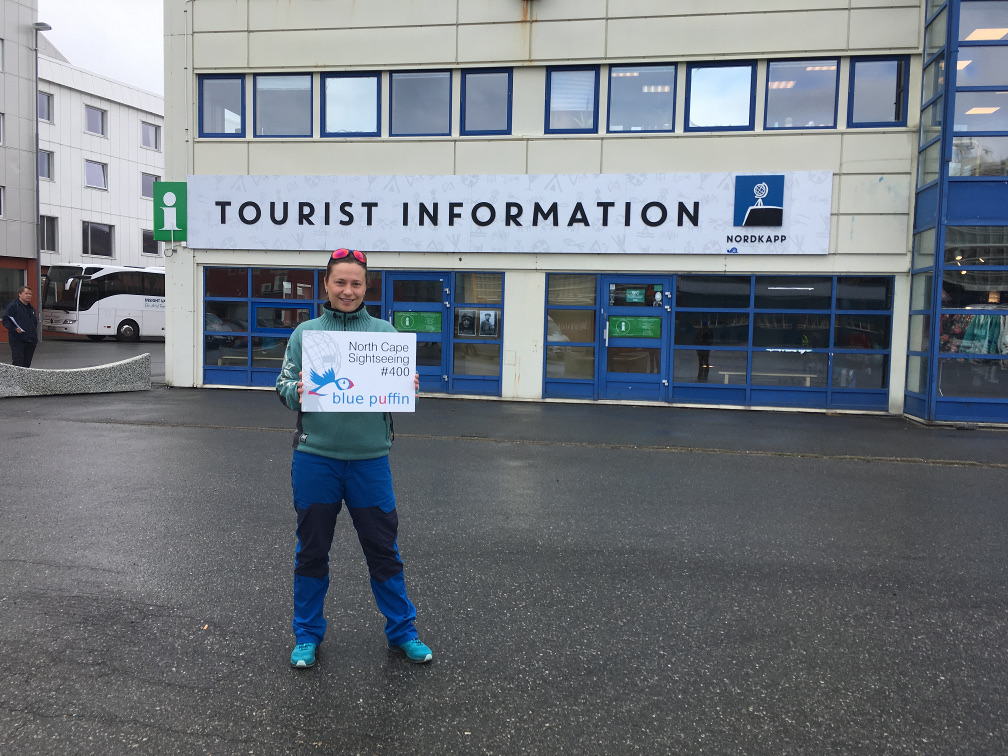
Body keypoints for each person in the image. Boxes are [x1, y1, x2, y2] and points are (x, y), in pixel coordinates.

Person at [275, 248, 432, 669]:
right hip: (316, 458)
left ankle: (402, 630)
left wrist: (407, 385)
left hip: (369, 461)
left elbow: (394, 390)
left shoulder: (384, 333)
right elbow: (283, 386)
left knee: (383, 550)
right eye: (340, 282)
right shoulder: (305, 334)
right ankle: (306, 634)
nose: (348, 290)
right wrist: (299, 388)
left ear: (367, 287)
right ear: (326, 284)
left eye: (356, 283)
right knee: (311, 551)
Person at [3, 286, 39, 368]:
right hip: (17, 339)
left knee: (27, 363)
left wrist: (34, 336)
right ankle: (15, 380)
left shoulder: (31, 308)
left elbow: (34, 323)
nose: (28, 295)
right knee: (18, 362)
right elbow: (6, 320)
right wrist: (14, 329)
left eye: (30, 294)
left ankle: (24, 380)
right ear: (19, 294)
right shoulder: (13, 305)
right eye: (26, 293)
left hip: (30, 340)